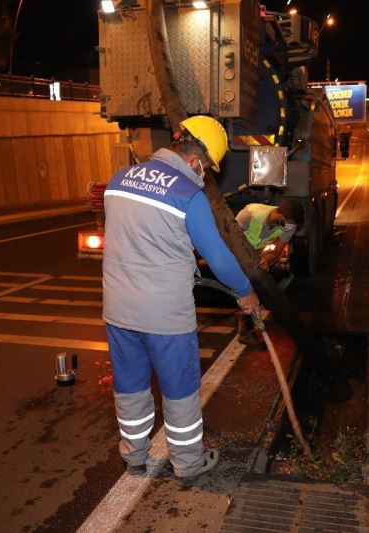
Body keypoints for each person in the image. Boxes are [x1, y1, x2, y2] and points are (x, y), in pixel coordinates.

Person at [102, 115, 261, 485]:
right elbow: (218, 257)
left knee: (130, 387)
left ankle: (135, 457)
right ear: (193, 160)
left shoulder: (118, 180)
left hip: (119, 311)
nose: (205, 175)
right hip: (165, 316)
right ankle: (188, 464)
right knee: (180, 392)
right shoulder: (187, 195)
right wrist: (245, 292)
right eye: (206, 168)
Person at [234, 200, 305, 344]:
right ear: (279, 215)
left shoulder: (289, 227)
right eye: (288, 223)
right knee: (246, 289)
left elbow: (278, 250)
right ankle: (245, 326)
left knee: (259, 286)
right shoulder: (250, 215)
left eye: (292, 225)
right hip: (235, 251)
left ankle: (246, 326)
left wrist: (267, 260)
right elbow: (230, 235)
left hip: (254, 254)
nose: (289, 228)